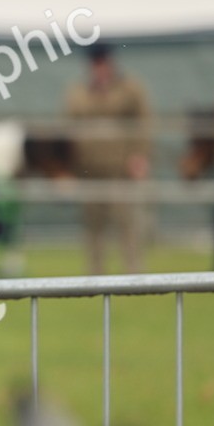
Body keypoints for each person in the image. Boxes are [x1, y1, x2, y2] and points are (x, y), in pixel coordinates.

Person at [63, 42, 153, 274]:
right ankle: (95, 273)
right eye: (95, 63)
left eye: (102, 62)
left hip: (120, 168)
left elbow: (143, 123)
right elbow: (68, 129)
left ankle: (133, 273)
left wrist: (140, 156)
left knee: (127, 224)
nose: (99, 68)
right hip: (89, 169)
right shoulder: (78, 92)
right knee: (93, 226)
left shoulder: (129, 88)